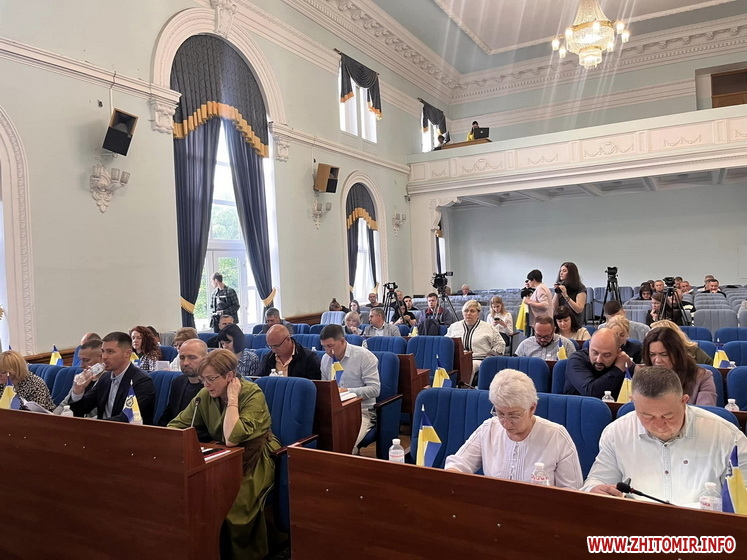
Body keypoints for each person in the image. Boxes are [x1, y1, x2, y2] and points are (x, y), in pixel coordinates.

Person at [168, 349, 279, 559]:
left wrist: (233, 399)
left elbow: (233, 437)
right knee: (197, 499)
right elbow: (176, 425)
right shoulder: (205, 395)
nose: (206, 385)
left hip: (256, 456)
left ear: (229, 376)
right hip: (222, 455)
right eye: (203, 379)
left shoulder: (252, 393)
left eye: (211, 379)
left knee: (232, 508)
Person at [581, 366, 747, 505]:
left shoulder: (726, 436)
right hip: (637, 525)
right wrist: (595, 489)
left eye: (668, 416)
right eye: (647, 416)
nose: (659, 425)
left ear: (684, 401)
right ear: (633, 402)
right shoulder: (616, 432)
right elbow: (597, 481)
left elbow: (743, 496)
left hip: (704, 527)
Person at [445, 369, 582, 489]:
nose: (506, 423)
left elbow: (572, 491)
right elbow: (458, 464)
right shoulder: (489, 428)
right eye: (500, 413)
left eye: (513, 415)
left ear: (532, 408)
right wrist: (453, 476)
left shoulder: (556, 436)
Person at [69, 331, 156, 424]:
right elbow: (81, 409)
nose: (104, 357)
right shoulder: (105, 378)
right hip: (103, 429)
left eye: (110, 352)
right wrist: (78, 392)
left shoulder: (142, 381)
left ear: (127, 353)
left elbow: (128, 418)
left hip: (127, 431)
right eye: (103, 351)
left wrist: (95, 424)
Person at [319, 324, 380, 448]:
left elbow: (375, 389)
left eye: (330, 346)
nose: (327, 351)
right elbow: (325, 389)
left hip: (361, 411)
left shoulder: (364, 357)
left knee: (345, 445)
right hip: (335, 411)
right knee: (322, 443)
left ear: (342, 341)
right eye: (324, 346)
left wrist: (347, 391)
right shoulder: (325, 359)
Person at [641, 328, 716, 405]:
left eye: (664, 354)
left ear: (677, 354)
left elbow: (704, 410)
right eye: (652, 354)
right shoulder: (642, 377)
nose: (657, 360)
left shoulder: (702, 377)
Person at [446, 300, 505, 381]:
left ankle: (464, 388)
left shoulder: (488, 327)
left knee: (468, 366)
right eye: (466, 311)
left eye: (472, 311)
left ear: (478, 313)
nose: (468, 313)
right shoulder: (454, 327)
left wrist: (491, 356)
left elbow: (500, 343)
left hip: (478, 359)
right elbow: (446, 343)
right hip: (456, 359)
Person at [564, 329, 631, 399]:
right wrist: (618, 369)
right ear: (589, 346)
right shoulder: (576, 360)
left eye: (606, 355)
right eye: (595, 353)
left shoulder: (621, 360)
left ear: (618, 352)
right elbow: (591, 392)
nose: (599, 360)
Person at [157, 339, 207, 426]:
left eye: (192, 357)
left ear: (206, 358)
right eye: (182, 358)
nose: (185, 363)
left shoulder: (212, 386)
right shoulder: (178, 382)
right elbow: (168, 416)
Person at [55, 338, 105, 416]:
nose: (81, 365)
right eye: (80, 360)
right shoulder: (82, 377)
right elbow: (64, 405)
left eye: (86, 360)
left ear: (101, 358)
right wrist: (51, 418)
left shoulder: (108, 379)